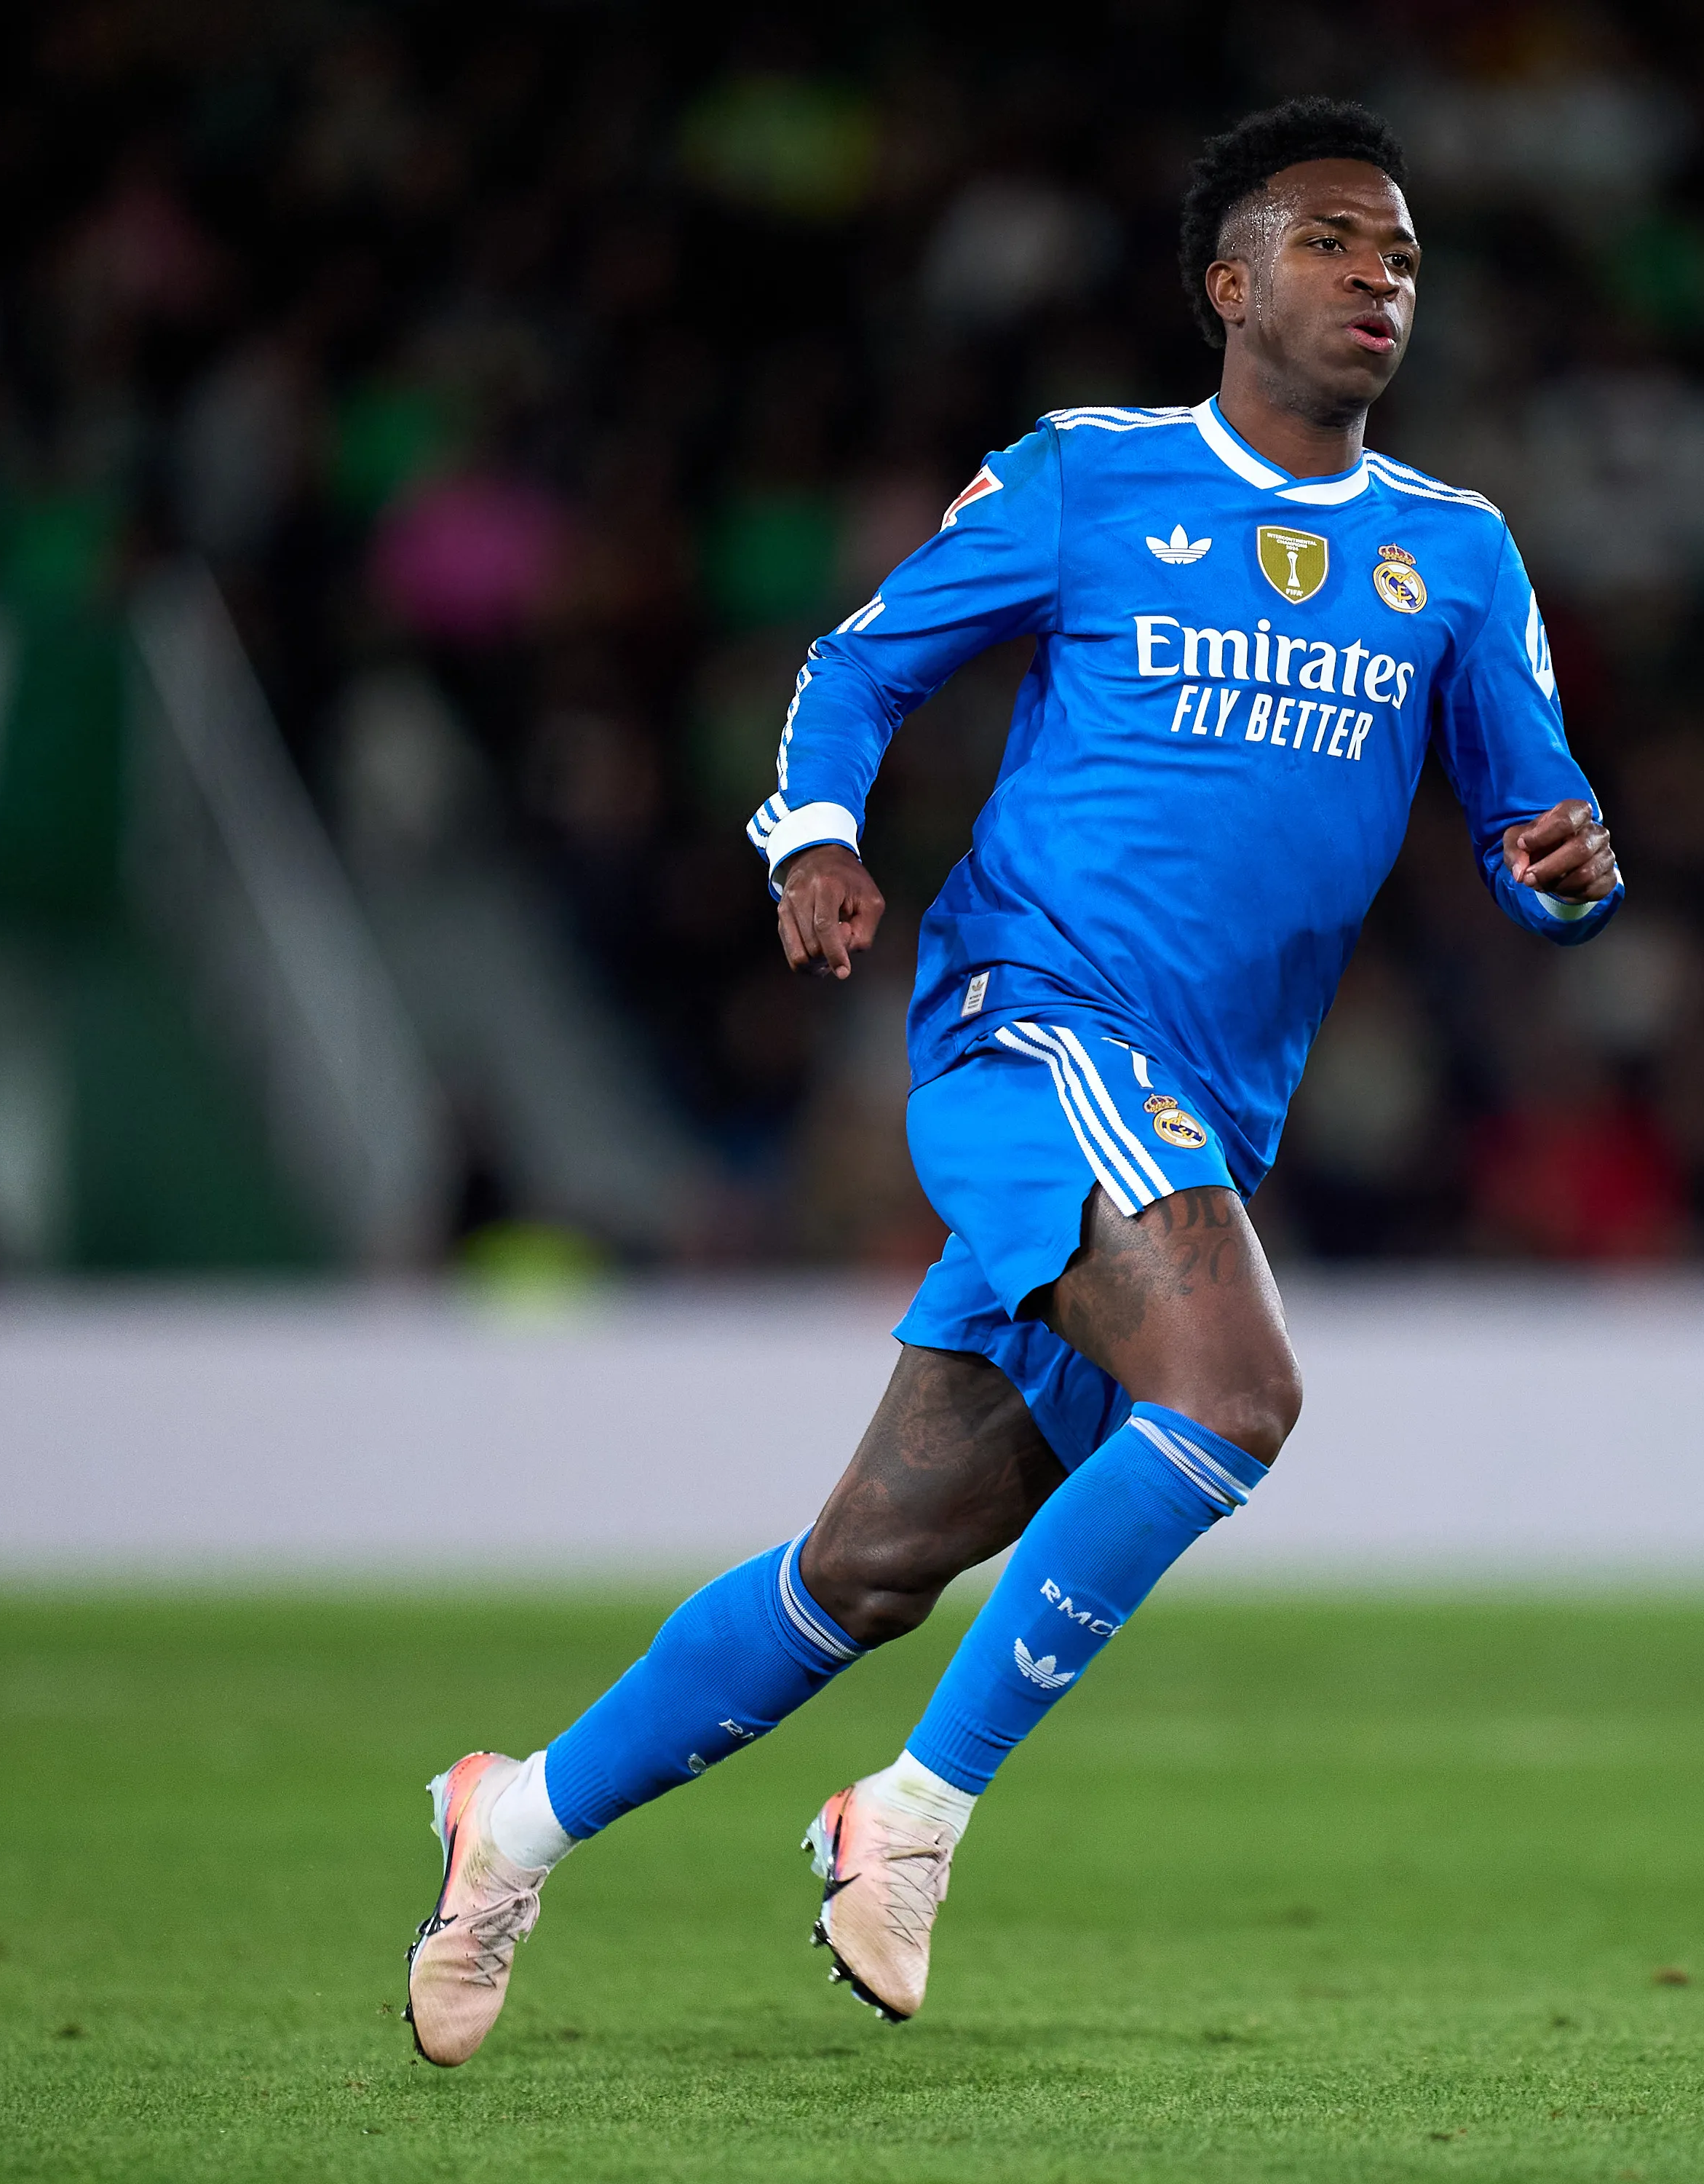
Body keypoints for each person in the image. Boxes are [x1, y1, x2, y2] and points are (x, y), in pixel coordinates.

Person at [403, 95, 1623, 2062]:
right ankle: (907, 1816)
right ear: (1228, 283)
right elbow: (861, 663)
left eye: (1401, 252)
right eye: (1332, 241)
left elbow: (1535, 827)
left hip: (1195, 1114)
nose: (1379, 276)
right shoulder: (1089, 476)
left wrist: (1568, 877)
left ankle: (514, 1820)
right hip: (1030, 1025)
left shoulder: (1458, 558)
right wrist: (812, 833)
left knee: (870, 1567)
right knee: (1236, 1393)